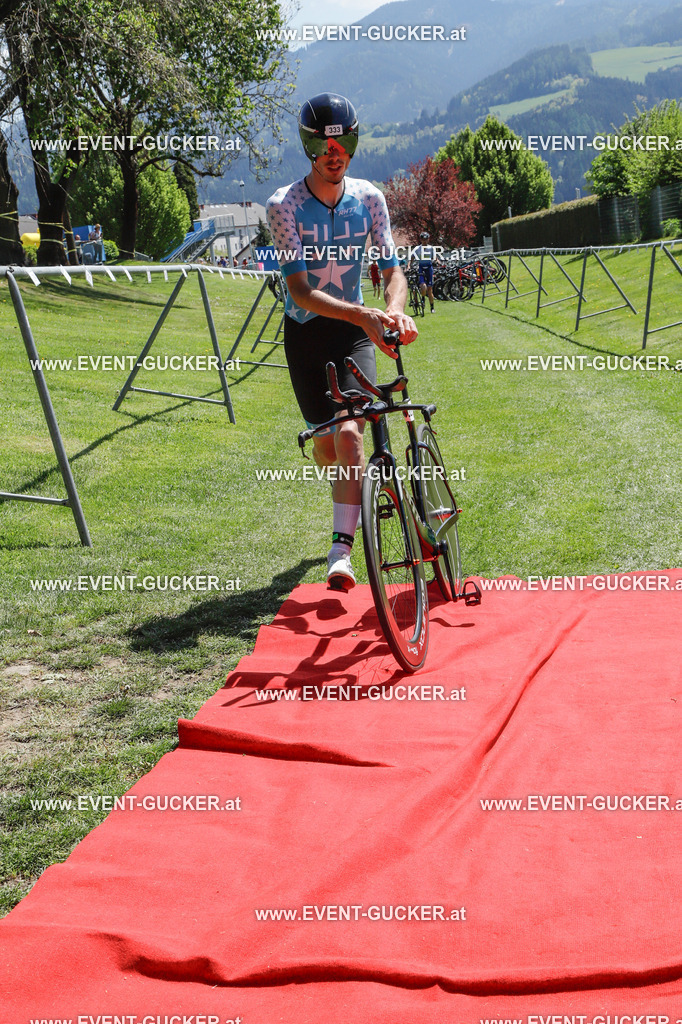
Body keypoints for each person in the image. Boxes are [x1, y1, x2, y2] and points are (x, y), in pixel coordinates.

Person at [266, 92, 417, 591]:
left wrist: (392, 311)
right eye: (325, 145)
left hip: (355, 334)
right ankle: (346, 493)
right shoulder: (284, 206)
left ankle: (341, 551)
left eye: (346, 142)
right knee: (329, 449)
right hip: (306, 333)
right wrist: (363, 311)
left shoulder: (370, 199)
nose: (337, 153)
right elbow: (300, 291)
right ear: (310, 147)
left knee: (353, 431)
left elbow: (394, 271)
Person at [412, 231, 437, 313]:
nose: (424, 241)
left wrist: (435, 261)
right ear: (421, 240)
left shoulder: (431, 248)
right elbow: (411, 257)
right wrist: (408, 266)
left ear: (428, 240)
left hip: (429, 268)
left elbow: (435, 257)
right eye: (423, 239)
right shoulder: (417, 249)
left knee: (430, 290)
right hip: (421, 268)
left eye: (426, 239)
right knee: (423, 286)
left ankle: (432, 307)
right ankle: (423, 298)